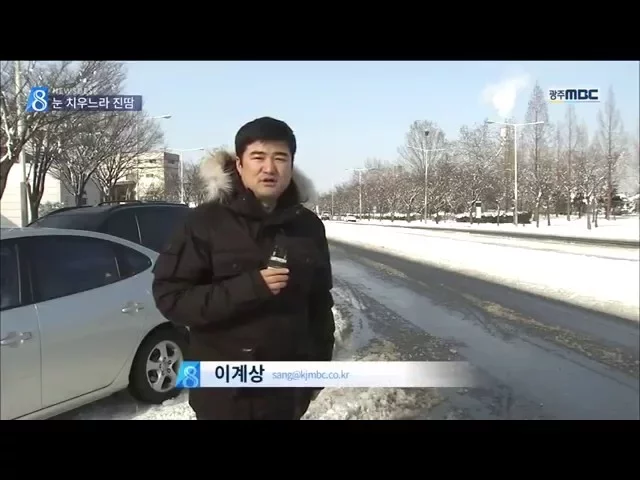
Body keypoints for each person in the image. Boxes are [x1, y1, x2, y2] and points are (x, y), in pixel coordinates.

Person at [151, 116, 335, 420]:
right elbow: (172, 299)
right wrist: (251, 287)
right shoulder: (204, 223)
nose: (269, 168)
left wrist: (316, 371)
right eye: (258, 157)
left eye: (280, 158)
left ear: (291, 164)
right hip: (224, 395)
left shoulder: (308, 226)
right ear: (239, 164)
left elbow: (319, 305)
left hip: (286, 393)